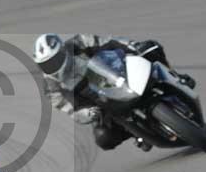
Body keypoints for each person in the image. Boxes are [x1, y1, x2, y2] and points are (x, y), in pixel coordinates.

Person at [32, 33, 195, 151]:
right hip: (98, 102)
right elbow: (69, 108)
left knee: (151, 47)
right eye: (47, 64)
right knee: (103, 138)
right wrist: (88, 113)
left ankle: (176, 76)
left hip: (116, 74)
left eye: (55, 60)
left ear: (63, 51)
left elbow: (111, 42)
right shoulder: (50, 86)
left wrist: (133, 47)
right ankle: (135, 132)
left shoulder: (79, 42)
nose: (53, 66)